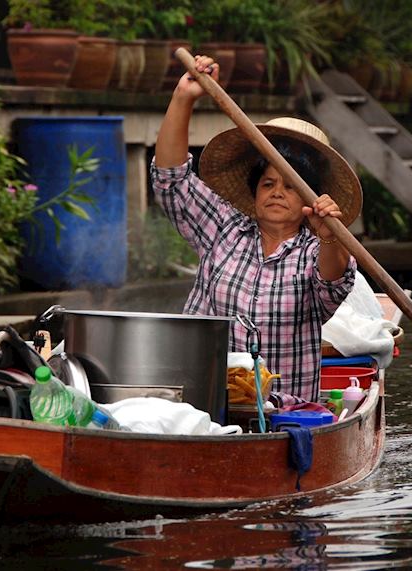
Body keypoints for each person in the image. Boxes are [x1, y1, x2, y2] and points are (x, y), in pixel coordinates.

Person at [150, 54, 363, 402]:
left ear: (309, 198)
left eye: (291, 186)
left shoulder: (315, 251)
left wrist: (329, 236)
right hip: (200, 401)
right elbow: (170, 179)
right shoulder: (224, 229)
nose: (277, 192)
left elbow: (333, 281)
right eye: (268, 184)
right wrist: (182, 97)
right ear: (255, 192)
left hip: (284, 415)